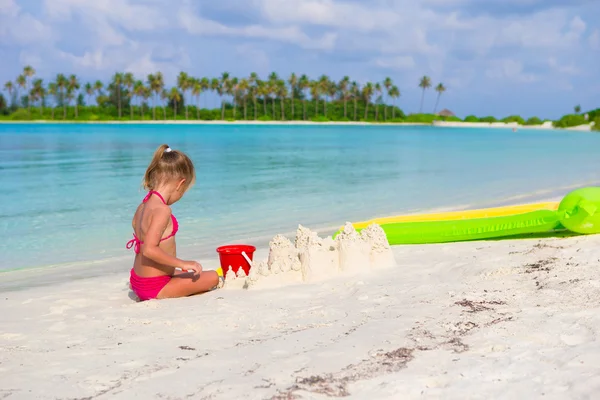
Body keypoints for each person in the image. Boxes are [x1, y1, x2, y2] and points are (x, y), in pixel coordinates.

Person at [126, 144, 222, 301]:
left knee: (193, 273)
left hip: (137, 280)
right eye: (183, 191)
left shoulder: (143, 205)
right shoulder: (162, 210)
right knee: (213, 277)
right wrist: (182, 263)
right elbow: (149, 250)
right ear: (180, 183)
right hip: (154, 287)